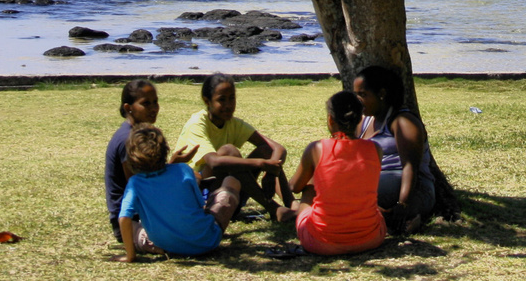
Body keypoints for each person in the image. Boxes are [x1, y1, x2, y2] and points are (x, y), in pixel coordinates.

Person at [277, 90, 386, 256]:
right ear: (359, 119)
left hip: (321, 241)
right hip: (370, 238)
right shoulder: (375, 149)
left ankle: (299, 213)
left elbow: (294, 186)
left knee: (309, 186)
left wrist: (313, 177)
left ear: (330, 119)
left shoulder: (316, 149)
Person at [175, 72, 293, 216]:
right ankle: (273, 208)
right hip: (200, 194)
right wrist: (261, 164)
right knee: (229, 151)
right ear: (207, 101)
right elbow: (214, 162)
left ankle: (291, 203)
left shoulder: (233, 123)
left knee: (266, 151)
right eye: (222, 100)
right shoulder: (198, 123)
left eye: (232, 99)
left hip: (230, 189)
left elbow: (277, 148)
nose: (228, 105)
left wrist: (270, 172)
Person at [116, 124, 240, 259]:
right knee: (231, 181)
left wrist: (130, 257)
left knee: (134, 228)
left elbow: (123, 218)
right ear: (165, 150)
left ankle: (158, 248)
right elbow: (200, 205)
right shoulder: (183, 170)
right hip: (206, 242)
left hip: (165, 244)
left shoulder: (135, 183)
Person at [355, 64, 436, 233]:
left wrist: (403, 204)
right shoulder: (364, 121)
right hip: (375, 185)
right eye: (356, 95)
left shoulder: (403, 122)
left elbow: (410, 167)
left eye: (363, 95)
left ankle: (397, 218)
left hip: (412, 190)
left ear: (382, 94)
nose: (358, 100)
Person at [105, 79, 179, 243]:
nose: (154, 108)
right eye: (146, 103)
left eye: (155, 102)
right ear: (128, 108)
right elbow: (138, 187)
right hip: (129, 221)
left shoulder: (141, 135)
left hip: (145, 213)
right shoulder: (128, 140)